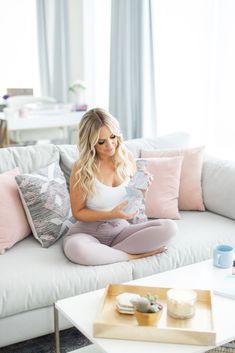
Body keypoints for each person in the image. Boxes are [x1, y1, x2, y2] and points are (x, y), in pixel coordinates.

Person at [63, 108, 177, 265]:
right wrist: (110, 214)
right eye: (101, 142)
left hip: (120, 231)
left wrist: (143, 190)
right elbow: (78, 213)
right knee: (77, 248)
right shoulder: (81, 167)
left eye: (113, 137)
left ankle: (108, 255)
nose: (110, 145)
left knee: (169, 227)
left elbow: (134, 203)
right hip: (87, 233)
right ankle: (132, 256)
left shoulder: (127, 157)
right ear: (90, 142)